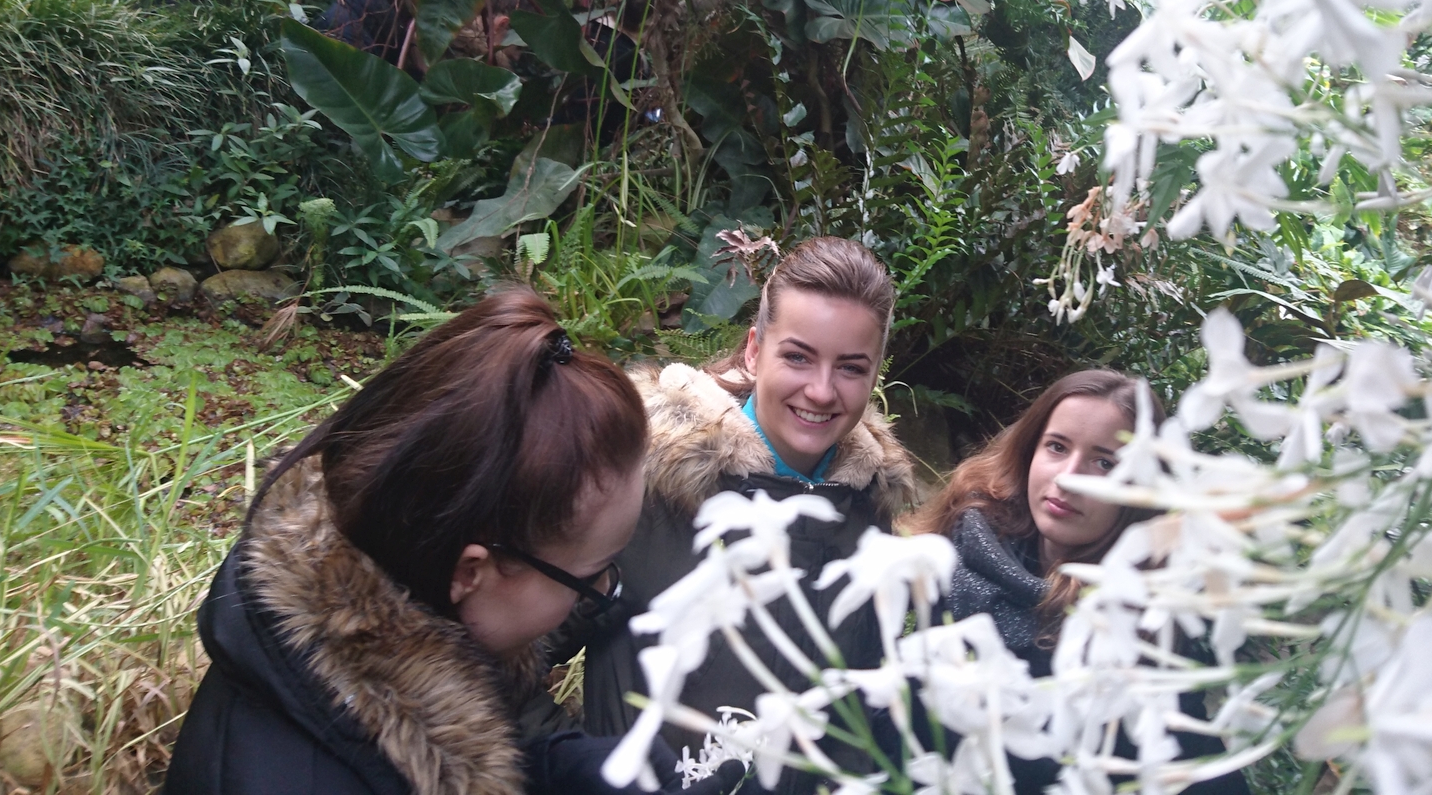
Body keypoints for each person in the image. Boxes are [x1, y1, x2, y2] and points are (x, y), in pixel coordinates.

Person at [162, 288, 740, 795]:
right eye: (592, 576)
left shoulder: (385, 617)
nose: (608, 589)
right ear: (470, 572)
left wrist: (550, 768)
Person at [568, 237, 919, 778]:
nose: (821, 391)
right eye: (798, 357)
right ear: (755, 351)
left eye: (851, 367)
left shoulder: (867, 509)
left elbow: (864, 697)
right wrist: (578, 770)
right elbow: (501, 653)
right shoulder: (645, 484)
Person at [904, 370, 1249, 795]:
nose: (1068, 477)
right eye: (1057, 446)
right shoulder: (957, 554)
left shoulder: (1142, 620)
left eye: (1105, 463)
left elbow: (1194, 765)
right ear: (1030, 449)